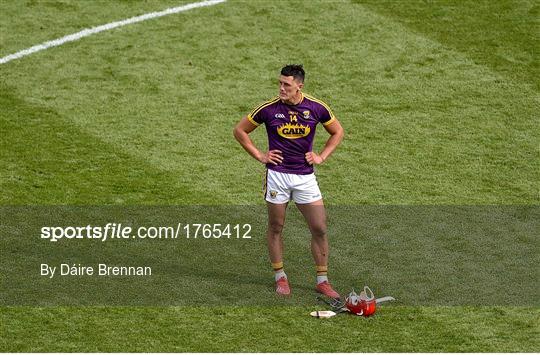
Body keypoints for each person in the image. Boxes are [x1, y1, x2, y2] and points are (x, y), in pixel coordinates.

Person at [233, 64, 344, 298]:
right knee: (276, 227)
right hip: (277, 176)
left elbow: (337, 132)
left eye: (286, 85)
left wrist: (321, 156)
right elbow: (240, 131)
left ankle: (322, 280)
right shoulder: (268, 109)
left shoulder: (316, 107)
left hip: (305, 177)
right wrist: (260, 155)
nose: (281, 88)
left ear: (299, 86)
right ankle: (280, 277)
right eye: (280, 83)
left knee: (320, 228)